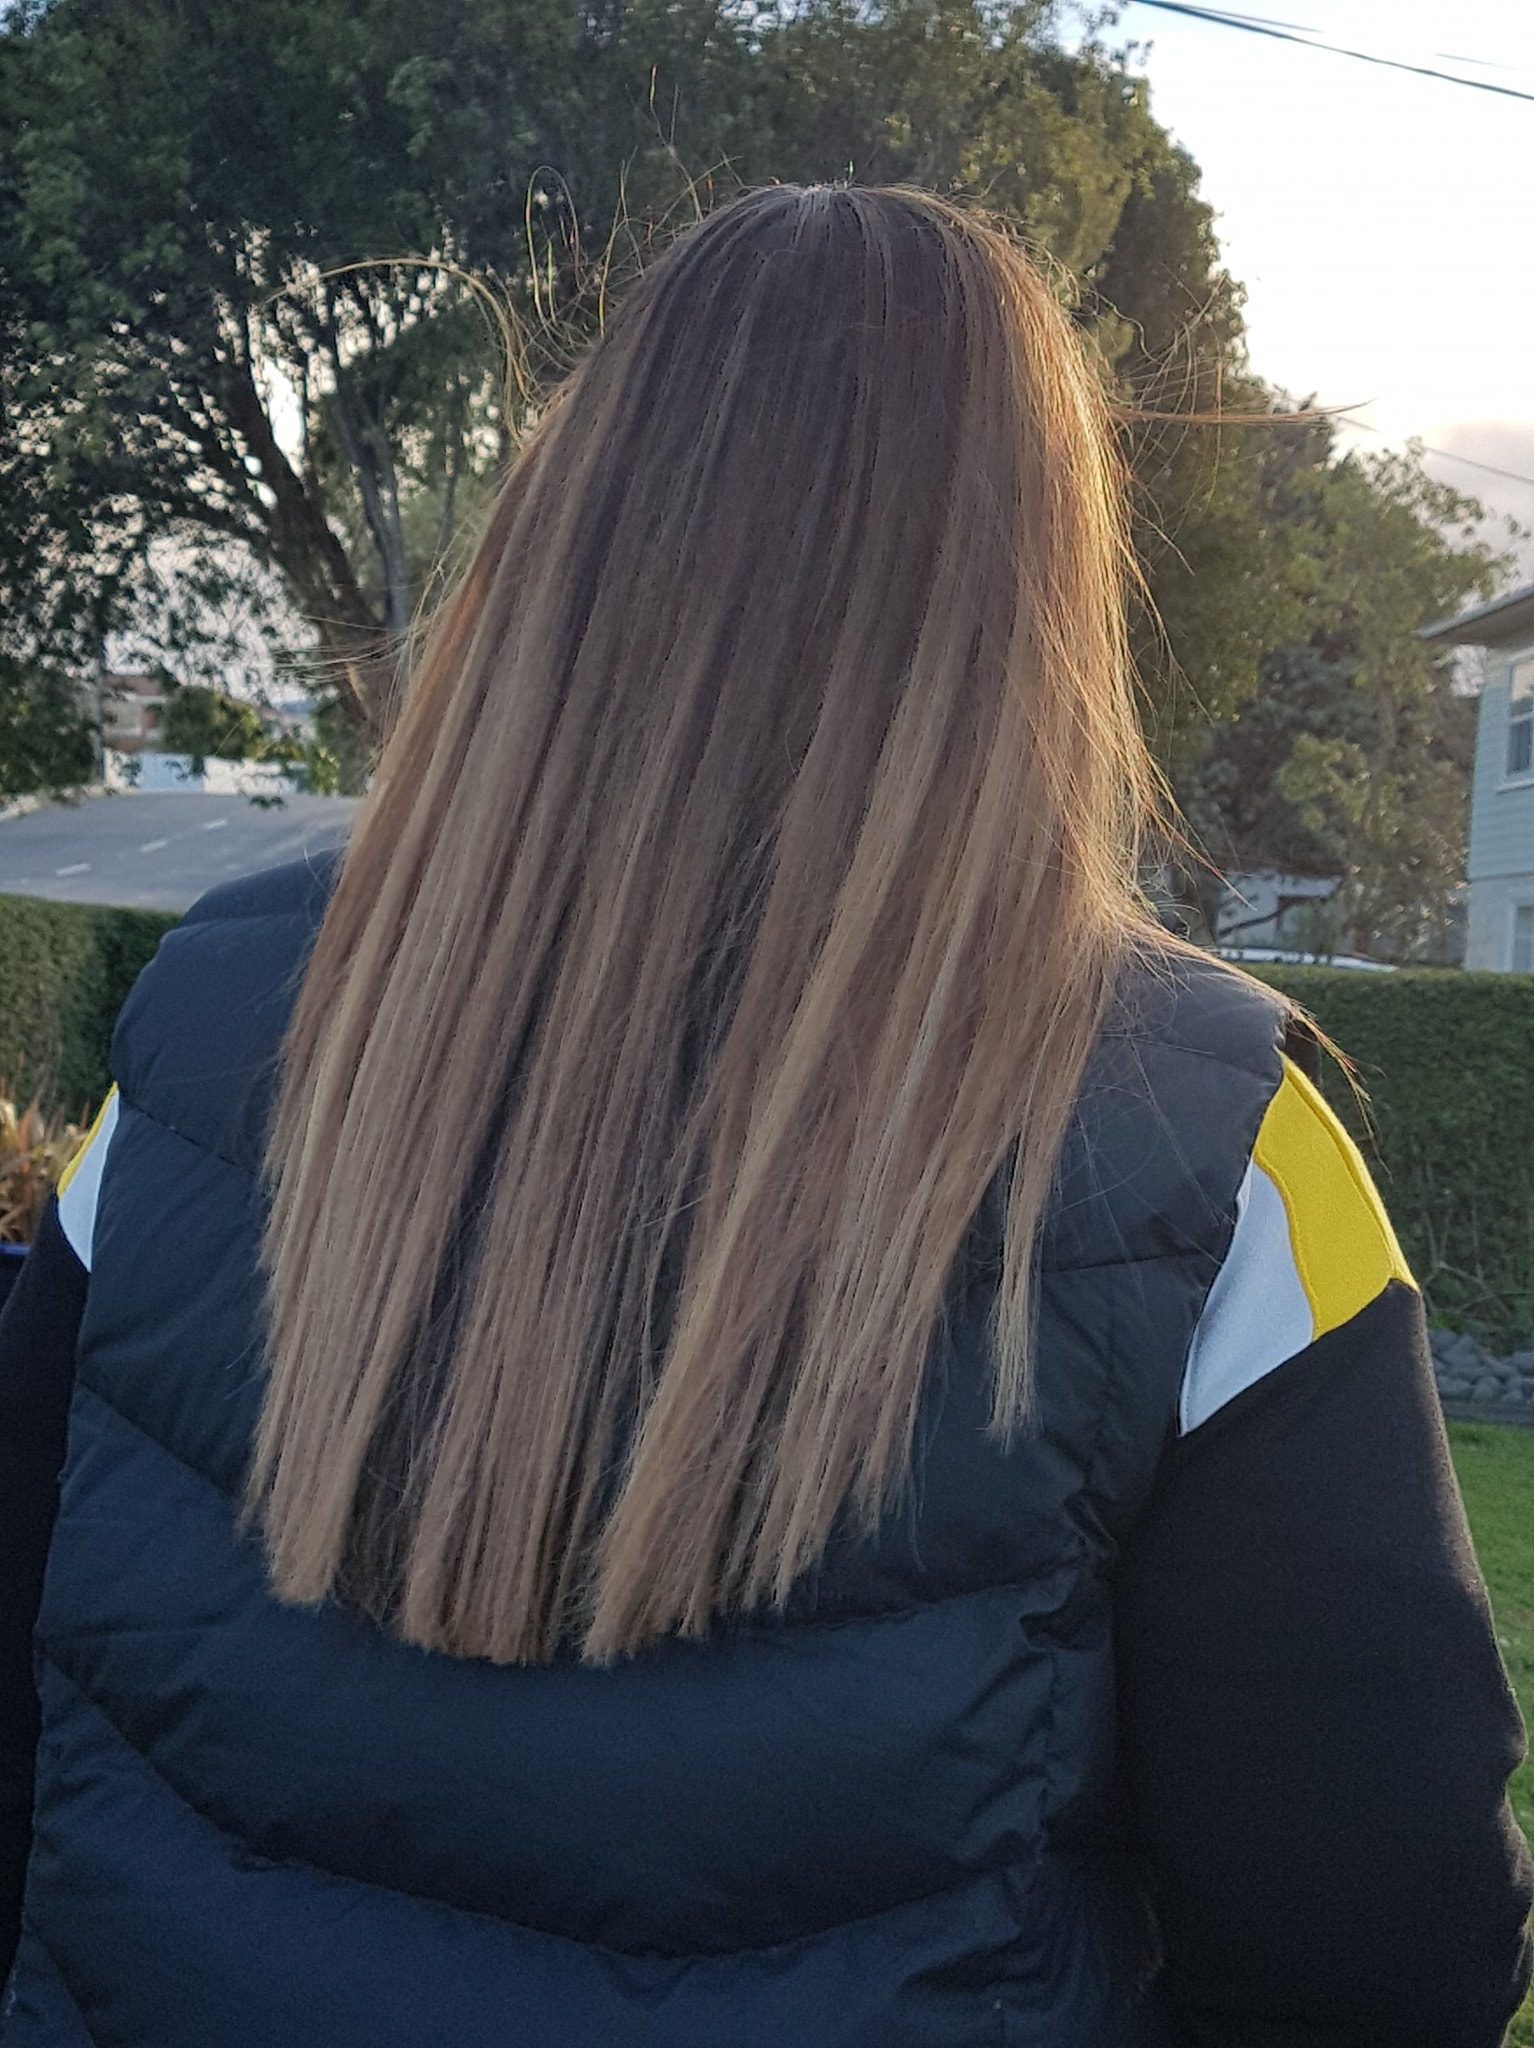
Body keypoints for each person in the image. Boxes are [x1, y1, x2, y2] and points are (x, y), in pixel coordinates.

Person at [0, 184, 1528, 2048]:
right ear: (1033, 595)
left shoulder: (200, 1043)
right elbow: (1379, 1955)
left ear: (566, 526)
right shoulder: (1203, 1150)